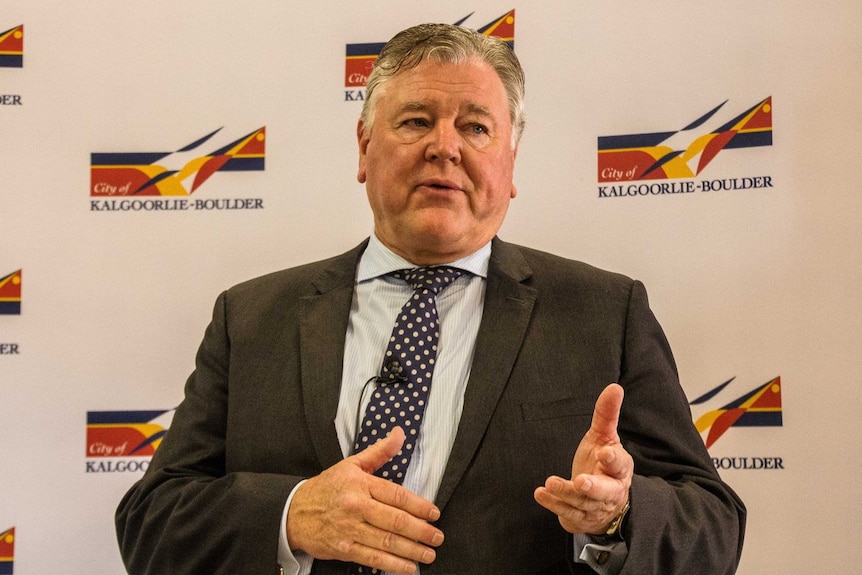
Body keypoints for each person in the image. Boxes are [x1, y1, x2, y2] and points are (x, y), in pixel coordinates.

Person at [116, 23, 745, 575]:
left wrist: (617, 518)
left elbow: (714, 526)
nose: (445, 146)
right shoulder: (251, 318)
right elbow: (150, 524)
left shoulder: (606, 313)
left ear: (511, 162)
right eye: (416, 120)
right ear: (364, 148)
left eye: (475, 126)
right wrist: (288, 515)